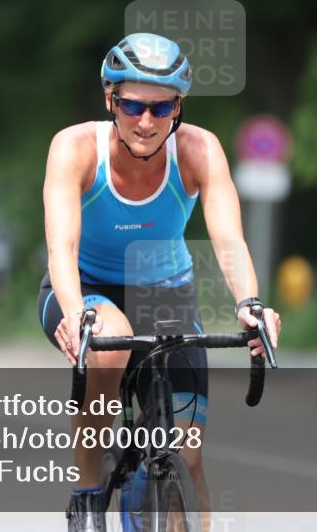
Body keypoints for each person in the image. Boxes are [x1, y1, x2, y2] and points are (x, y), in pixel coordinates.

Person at [39, 32, 282, 531]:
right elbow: (61, 248)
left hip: (165, 292)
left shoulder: (199, 150)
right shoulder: (74, 148)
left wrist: (250, 303)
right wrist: (73, 312)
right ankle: (87, 495)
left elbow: (229, 240)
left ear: (178, 107)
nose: (146, 121)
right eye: (131, 106)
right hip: (86, 289)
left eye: (162, 107)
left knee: (187, 457)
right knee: (107, 348)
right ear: (111, 100)